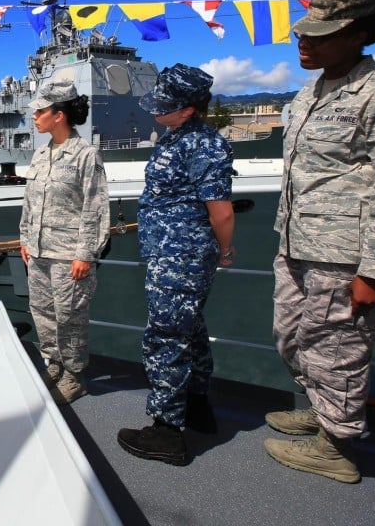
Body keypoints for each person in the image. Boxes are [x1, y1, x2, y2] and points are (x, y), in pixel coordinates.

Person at [264, 0, 375, 484]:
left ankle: (336, 445)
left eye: (320, 32)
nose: (303, 41)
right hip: (297, 245)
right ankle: (321, 409)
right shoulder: (313, 90)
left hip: (348, 257)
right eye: (302, 31)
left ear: (359, 33)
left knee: (338, 350)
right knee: (291, 338)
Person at [117, 63, 235, 466]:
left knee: (166, 335)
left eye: (163, 104)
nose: (154, 109)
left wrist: (227, 249)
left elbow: (221, 211)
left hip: (180, 255)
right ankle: (197, 404)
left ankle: (167, 430)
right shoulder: (177, 137)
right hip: (173, 252)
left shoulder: (202, 144)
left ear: (188, 109)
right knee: (192, 329)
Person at [19, 79, 109, 404]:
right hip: (39, 254)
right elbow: (29, 203)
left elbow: (95, 208)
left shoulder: (85, 155)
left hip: (69, 256)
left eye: (40, 111)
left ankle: (74, 376)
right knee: (42, 312)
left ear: (59, 115)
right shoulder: (41, 155)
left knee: (70, 317)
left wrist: (85, 253)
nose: (35, 116)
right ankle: (54, 365)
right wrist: (24, 239)